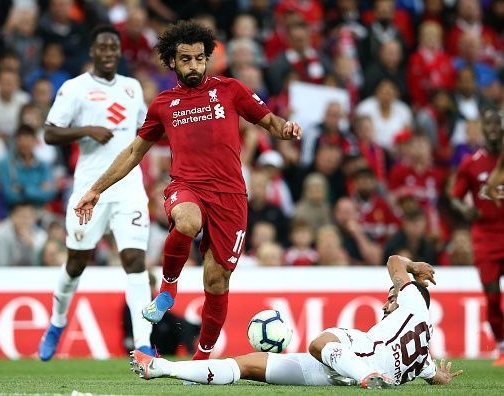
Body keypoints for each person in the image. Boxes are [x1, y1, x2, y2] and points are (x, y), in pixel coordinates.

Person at [74, 21, 302, 361]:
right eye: (185, 59)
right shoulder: (164, 104)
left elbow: (269, 122)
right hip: (187, 186)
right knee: (186, 221)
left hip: (230, 197)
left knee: (216, 281)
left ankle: (202, 359)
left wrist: (286, 129)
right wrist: (95, 189)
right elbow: (134, 152)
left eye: (199, 58)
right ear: (172, 62)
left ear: (207, 57)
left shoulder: (231, 89)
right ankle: (167, 287)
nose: (193, 65)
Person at [131, 255, 463, 388]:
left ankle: (366, 377)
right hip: (345, 373)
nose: (387, 300)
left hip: (362, 360)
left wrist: (413, 266)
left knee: (319, 342)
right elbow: (434, 377)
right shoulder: (423, 358)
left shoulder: (415, 301)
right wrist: (442, 378)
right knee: (246, 366)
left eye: (392, 295)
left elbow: (393, 261)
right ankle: (164, 369)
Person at [38, 25, 154, 361]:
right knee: (76, 262)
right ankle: (57, 322)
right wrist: (86, 129)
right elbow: (49, 133)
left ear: (119, 52)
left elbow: (146, 130)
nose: (107, 52)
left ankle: (144, 343)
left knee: (134, 260)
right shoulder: (75, 89)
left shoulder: (132, 88)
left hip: (129, 188)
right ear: (92, 52)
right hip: (90, 188)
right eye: (101, 47)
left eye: (113, 47)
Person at [451, 108, 504, 366]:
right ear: (483, 129)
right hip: (485, 237)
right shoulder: (471, 163)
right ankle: (503, 346)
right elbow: (454, 196)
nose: (493, 129)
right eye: (489, 125)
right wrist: (465, 209)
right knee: (492, 294)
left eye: (497, 124)